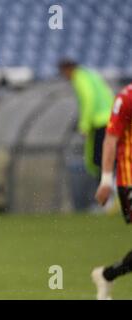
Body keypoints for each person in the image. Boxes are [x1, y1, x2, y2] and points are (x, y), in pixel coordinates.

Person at [92, 83, 132, 300]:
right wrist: (106, 180)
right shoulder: (126, 98)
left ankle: (108, 275)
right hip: (129, 179)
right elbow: (111, 139)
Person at [58, 59, 114, 178]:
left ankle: (106, 190)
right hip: (111, 119)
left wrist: (84, 125)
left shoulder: (79, 78)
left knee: (100, 160)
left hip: (101, 122)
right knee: (109, 158)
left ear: (68, 69)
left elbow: (88, 100)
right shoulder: (90, 75)